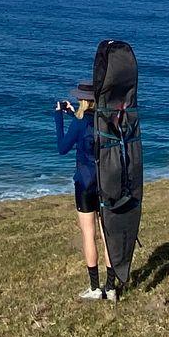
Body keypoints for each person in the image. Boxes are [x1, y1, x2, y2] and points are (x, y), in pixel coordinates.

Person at [54, 81, 105, 300]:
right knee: (107, 234)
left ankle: (95, 288)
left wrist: (58, 117)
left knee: (88, 234)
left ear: (82, 100)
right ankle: (111, 287)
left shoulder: (79, 123)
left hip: (85, 184)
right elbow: (88, 129)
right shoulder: (105, 120)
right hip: (105, 182)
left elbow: (63, 148)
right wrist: (72, 114)